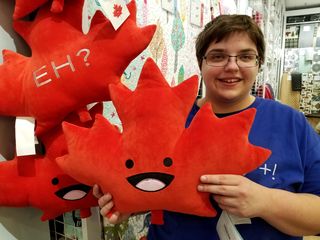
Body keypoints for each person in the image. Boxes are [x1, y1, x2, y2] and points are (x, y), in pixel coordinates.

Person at [93, 14, 320, 239]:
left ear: (259, 63)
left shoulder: (292, 124)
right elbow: (155, 187)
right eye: (218, 56)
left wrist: (265, 201)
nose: (232, 66)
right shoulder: (166, 120)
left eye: (245, 56)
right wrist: (125, 201)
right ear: (201, 62)